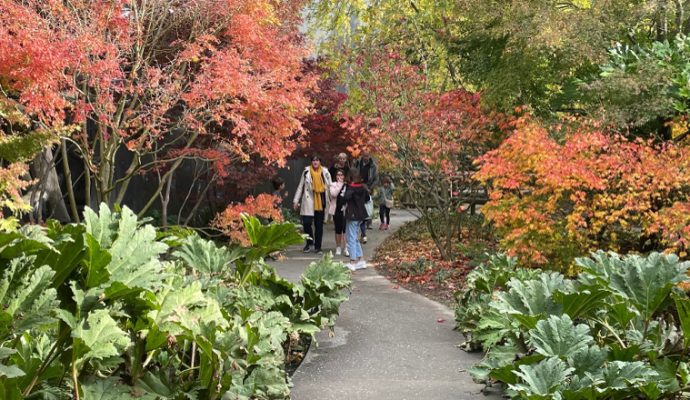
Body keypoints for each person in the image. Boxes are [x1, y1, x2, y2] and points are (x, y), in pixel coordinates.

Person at [293, 155, 332, 254]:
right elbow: (300, 186)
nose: (315, 162)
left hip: (321, 200)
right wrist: (296, 200)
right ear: (311, 162)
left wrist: (333, 201)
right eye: (313, 160)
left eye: (317, 160)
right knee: (306, 223)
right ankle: (309, 243)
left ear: (320, 162)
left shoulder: (325, 172)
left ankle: (318, 247)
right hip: (309, 200)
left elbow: (330, 186)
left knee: (319, 225)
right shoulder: (306, 171)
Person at [342, 169, 370, 270]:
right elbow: (367, 199)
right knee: (354, 237)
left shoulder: (351, 188)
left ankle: (352, 262)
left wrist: (347, 187)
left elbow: (345, 198)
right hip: (361, 215)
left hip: (352, 215)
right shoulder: (363, 187)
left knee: (351, 238)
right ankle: (361, 260)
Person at [353, 152, 379, 237]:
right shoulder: (358, 164)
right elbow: (353, 174)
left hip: (368, 187)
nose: (366, 158)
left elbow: (376, 179)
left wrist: (370, 188)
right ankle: (360, 227)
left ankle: (368, 222)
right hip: (358, 186)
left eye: (367, 156)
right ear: (362, 156)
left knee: (367, 206)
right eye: (364, 156)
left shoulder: (373, 166)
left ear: (369, 157)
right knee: (359, 207)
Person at [329, 169, 348, 256]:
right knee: (338, 228)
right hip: (336, 209)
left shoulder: (347, 185)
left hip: (346, 209)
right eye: (338, 175)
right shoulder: (333, 185)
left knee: (346, 229)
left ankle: (346, 247)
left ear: (344, 176)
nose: (339, 176)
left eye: (341, 175)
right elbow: (334, 194)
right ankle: (338, 247)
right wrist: (340, 185)